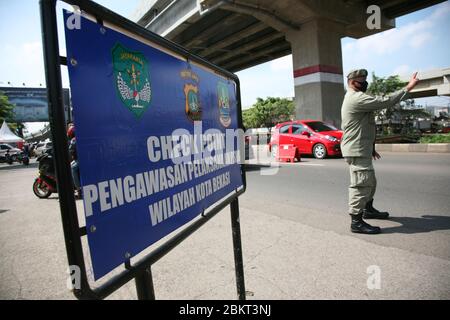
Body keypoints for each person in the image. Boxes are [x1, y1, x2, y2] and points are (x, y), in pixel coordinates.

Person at [341, 69, 419, 234]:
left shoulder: (358, 97)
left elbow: (365, 127)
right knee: (361, 184)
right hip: (356, 149)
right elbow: (386, 101)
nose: (365, 83)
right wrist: (408, 87)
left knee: (371, 181)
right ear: (352, 82)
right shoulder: (356, 98)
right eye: (362, 80)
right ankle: (356, 222)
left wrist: (372, 147)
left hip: (362, 148)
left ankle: (368, 209)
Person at [67, 125, 81, 198]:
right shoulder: (81, 137)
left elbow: (70, 150)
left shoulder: (74, 140)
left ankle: (79, 189)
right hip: (83, 159)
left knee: (72, 168)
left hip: (80, 160)